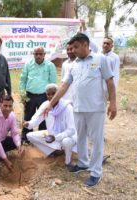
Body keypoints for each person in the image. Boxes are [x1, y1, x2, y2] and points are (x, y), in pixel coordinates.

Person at [43, 33, 117, 187]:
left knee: (96, 141)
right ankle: (83, 163)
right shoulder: (74, 64)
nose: (73, 50)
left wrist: (113, 103)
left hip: (95, 108)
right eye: (71, 48)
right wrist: (51, 103)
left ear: (85, 44)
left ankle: (96, 172)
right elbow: (64, 85)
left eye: (75, 47)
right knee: (81, 137)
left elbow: (110, 81)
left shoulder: (100, 59)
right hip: (78, 107)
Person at [23, 84, 76, 166]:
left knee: (66, 142)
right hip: (51, 136)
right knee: (30, 135)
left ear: (58, 93)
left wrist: (56, 137)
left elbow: (71, 130)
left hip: (67, 136)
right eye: (48, 94)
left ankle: (67, 161)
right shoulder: (46, 105)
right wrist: (28, 124)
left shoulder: (67, 107)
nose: (51, 96)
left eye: (53, 93)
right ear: (46, 95)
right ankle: (54, 151)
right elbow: (36, 119)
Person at [19, 46, 57, 143]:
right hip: (30, 95)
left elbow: (53, 82)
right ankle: (26, 137)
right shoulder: (28, 65)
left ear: (44, 54)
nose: (38, 56)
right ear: (33, 54)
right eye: (36, 54)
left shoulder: (50, 65)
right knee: (28, 116)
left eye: (40, 54)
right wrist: (23, 94)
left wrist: (52, 98)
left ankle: (42, 138)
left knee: (44, 117)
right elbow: (23, 80)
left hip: (44, 96)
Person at [80, 21, 120, 88]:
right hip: (95, 84)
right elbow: (89, 39)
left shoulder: (115, 57)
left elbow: (115, 74)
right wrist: (84, 25)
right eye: (104, 43)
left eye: (108, 44)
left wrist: (112, 90)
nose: (105, 45)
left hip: (106, 85)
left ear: (112, 46)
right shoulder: (98, 50)